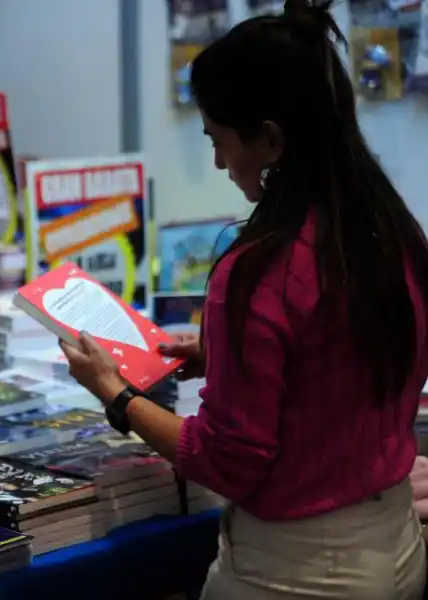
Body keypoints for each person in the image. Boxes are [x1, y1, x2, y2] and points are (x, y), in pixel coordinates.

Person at [60, 1, 428, 598]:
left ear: (272, 139)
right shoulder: (391, 231)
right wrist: (227, 359)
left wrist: (116, 394)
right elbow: (348, 363)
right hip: (395, 543)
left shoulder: (259, 271)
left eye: (219, 140)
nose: (216, 161)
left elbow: (227, 461)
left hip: (300, 571)